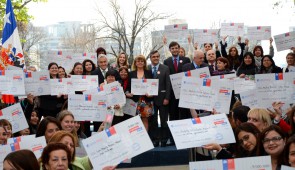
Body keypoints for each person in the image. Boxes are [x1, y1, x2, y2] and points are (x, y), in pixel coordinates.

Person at [47, 131, 116, 170]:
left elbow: (89, 159)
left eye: (71, 145)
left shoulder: (74, 161)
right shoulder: (45, 165)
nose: (69, 147)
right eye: (65, 144)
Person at [148, 50, 171, 147]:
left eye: (157, 56)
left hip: (162, 99)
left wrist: (167, 98)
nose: (156, 58)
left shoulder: (165, 68)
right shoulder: (147, 68)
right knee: (153, 121)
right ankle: (155, 140)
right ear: (150, 58)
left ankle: (164, 139)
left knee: (164, 120)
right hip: (150, 99)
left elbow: (168, 84)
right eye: (154, 57)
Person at [127, 55, 153, 130]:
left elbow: (152, 86)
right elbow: (128, 87)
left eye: (142, 61)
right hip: (135, 100)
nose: (140, 62)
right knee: (135, 120)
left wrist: (151, 94)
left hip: (146, 100)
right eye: (138, 61)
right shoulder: (131, 73)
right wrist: (128, 93)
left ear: (144, 63)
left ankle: (146, 139)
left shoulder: (149, 72)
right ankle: (137, 138)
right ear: (135, 63)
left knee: (145, 120)